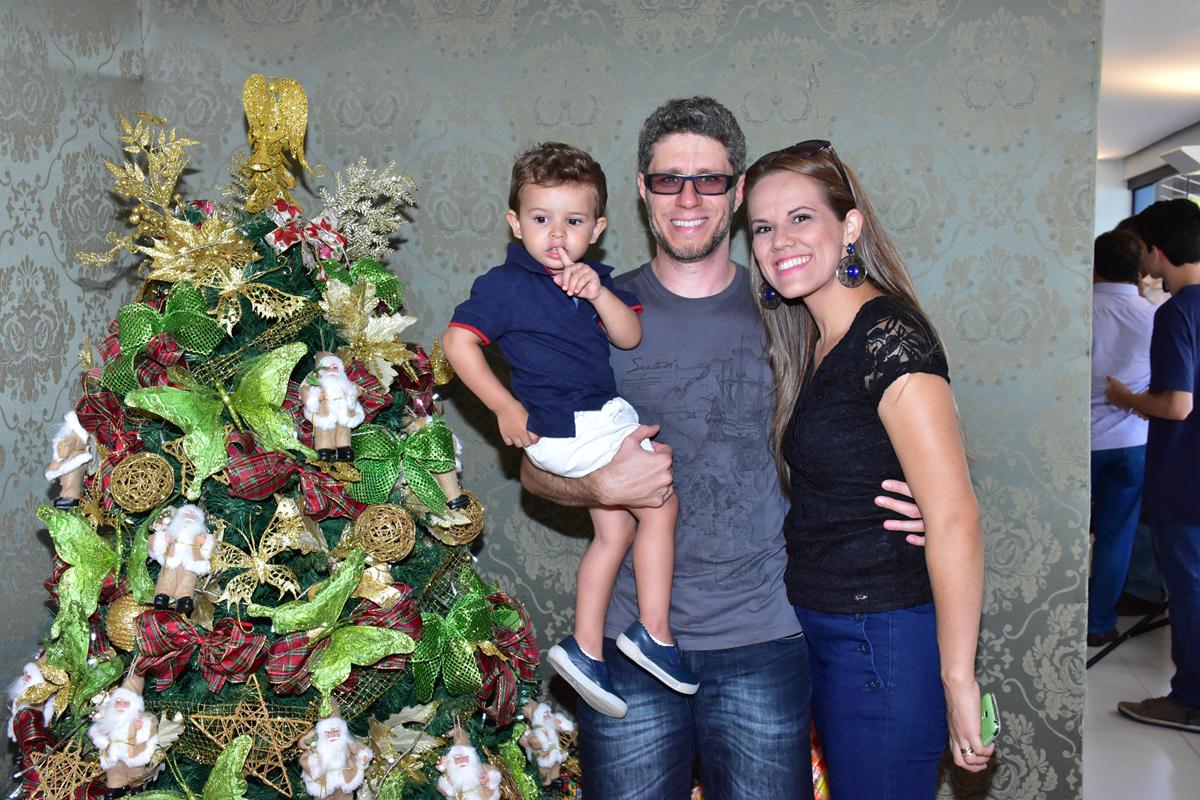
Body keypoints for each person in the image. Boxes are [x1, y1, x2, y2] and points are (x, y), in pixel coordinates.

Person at [518, 98, 926, 800]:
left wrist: (910, 504)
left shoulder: (793, 310)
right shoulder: (587, 310)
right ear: (642, 190)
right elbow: (533, 468)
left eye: (708, 180)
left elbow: (859, 426)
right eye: (668, 179)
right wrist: (598, 487)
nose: (688, 199)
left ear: (736, 193)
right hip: (627, 645)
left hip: (767, 638)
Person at [743, 140, 992, 797]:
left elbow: (955, 520)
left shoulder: (889, 335)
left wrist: (959, 681)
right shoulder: (814, 339)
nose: (779, 241)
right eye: (762, 228)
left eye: (801, 218)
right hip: (822, 625)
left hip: (879, 636)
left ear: (849, 226)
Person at [443, 142, 697, 720]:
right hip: (570, 426)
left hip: (587, 424)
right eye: (541, 219)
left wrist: (598, 292)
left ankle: (586, 647)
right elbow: (457, 343)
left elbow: (629, 336)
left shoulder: (593, 279)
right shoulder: (506, 286)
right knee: (661, 502)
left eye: (573, 222)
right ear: (514, 223)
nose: (556, 235)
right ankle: (655, 631)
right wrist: (505, 406)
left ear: (597, 229)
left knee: (615, 530)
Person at [1107, 198, 1200, 732]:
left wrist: (1126, 398)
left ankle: (1189, 699)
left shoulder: (1177, 312)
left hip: (1186, 477)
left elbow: (1177, 404)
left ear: (1157, 252)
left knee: (1188, 590)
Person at [1087, 228, 1155, 646]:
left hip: (1080, 444)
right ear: (1139, 269)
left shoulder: (1081, 312)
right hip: (1132, 440)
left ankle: (1062, 619)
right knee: (1117, 536)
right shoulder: (1154, 315)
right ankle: (1099, 625)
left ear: (1094, 265)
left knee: (1068, 532)